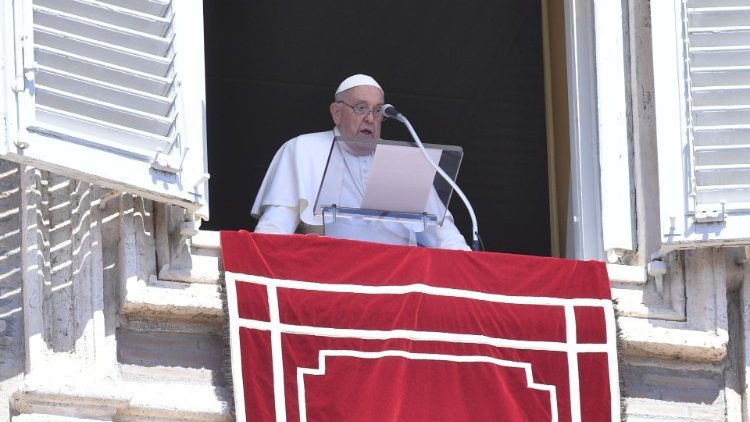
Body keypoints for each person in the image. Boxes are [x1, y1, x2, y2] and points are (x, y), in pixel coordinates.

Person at [251, 74, 470, 250]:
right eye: (360, 107)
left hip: (400, 281)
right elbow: (274, 230)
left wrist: (471, 268)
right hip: (331, 274)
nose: (370, 118)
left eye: (377, 110)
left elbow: (446, 238)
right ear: (337, 112)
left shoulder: (402, 162)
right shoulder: (303, 148)